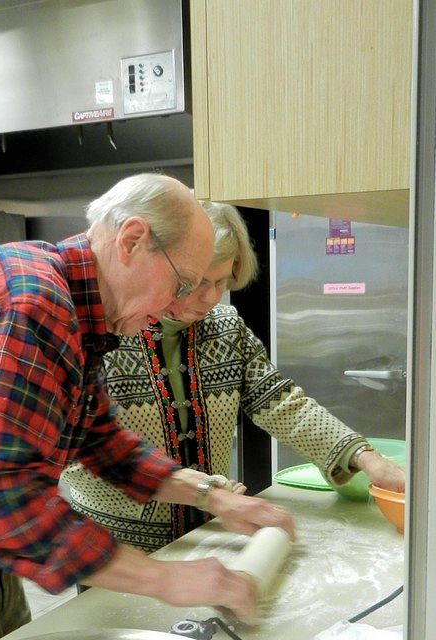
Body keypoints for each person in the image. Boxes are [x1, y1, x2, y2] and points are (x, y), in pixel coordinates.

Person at [0, 175, 294, 640]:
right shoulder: (31, 300)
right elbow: (4, 500)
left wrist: (211, 497)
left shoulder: (79, 310)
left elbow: (100, 440)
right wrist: (166, 580)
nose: (179, 306)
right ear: (132, 241)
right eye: (184, 284)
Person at [63, 201, 405, 553]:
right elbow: (80, 453)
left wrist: (366, 457)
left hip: (205, 536)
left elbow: (283, 403)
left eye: (221, 281)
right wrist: (202, 491)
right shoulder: (105, 331)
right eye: (195, 283)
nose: (209, 297)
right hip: (111, 549)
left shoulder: (226, 328)